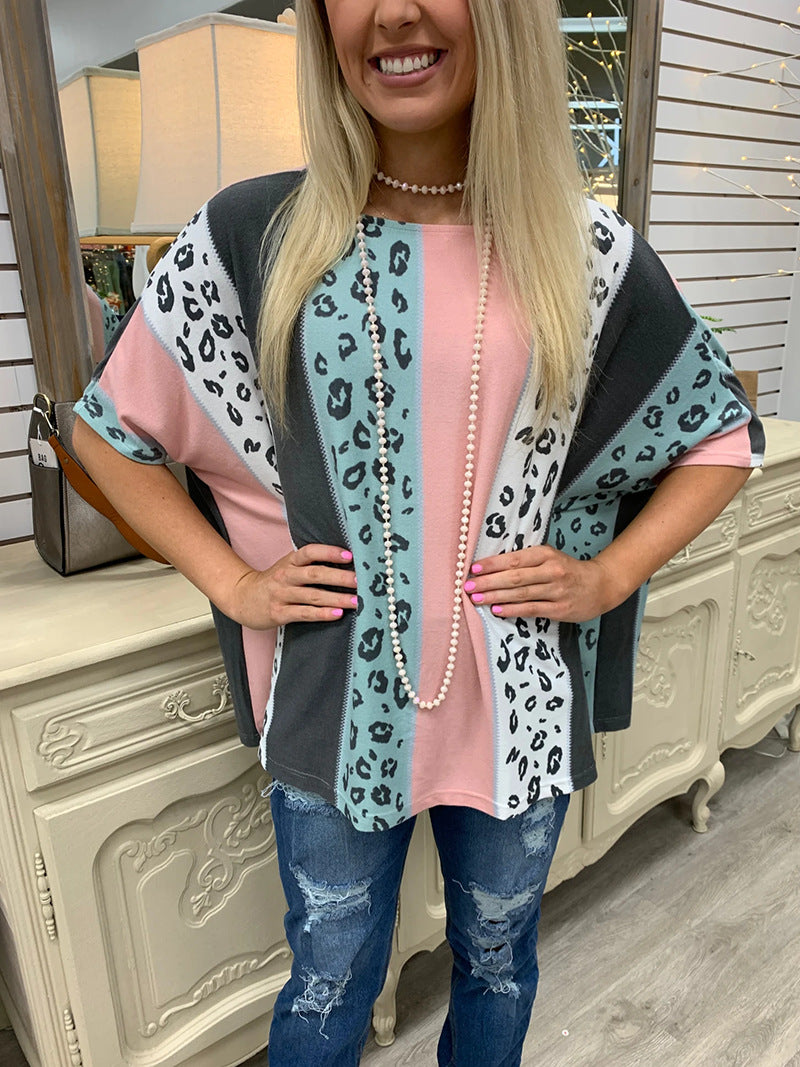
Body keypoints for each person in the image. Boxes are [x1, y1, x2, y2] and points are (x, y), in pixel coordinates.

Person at [72, 1, 764, 1063]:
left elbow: (714, 433)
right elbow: (110, 431)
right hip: (327, 696)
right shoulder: (253, 235)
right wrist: (236, 581)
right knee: (328, 978)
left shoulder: (583, 251)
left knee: (496, 960)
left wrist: (608, 572)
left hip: (514, 699)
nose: (393, 10)